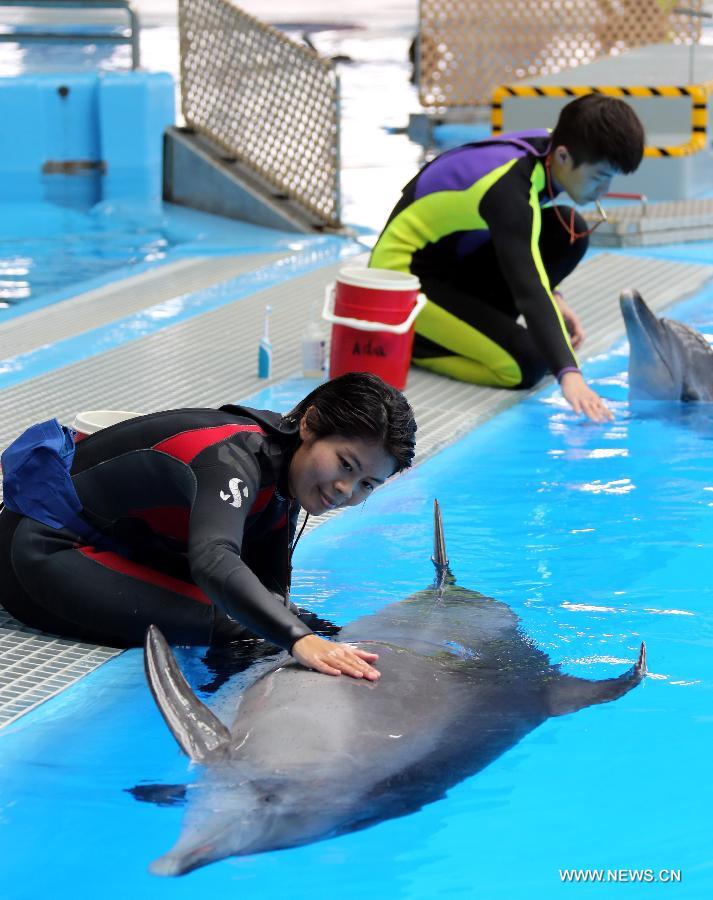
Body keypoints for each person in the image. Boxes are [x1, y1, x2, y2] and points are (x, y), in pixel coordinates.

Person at [0, 373, 416, 681]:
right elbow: (213, 559)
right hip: (40, 549)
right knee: (236, 622)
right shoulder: (231, 459)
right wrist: (298, 639)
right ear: (310, 424)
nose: (346, 489)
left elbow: (267, 589)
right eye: (345, 464)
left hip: (113, 546)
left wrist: (300, 627)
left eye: (367, 484)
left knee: (271, 612)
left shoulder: (287, 475)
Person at [370, 93, 645, 422]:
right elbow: (529, 289)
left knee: (568, 230)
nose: (605, 189)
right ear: (563, 156)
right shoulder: (508, 189)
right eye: (600, 177)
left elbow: (522, 248)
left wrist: (553, 296)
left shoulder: (549, 151)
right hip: (400, 285)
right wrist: (569, 373)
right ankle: (417, 346)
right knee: (528, 365)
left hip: (451, 263)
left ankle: (462, 328)